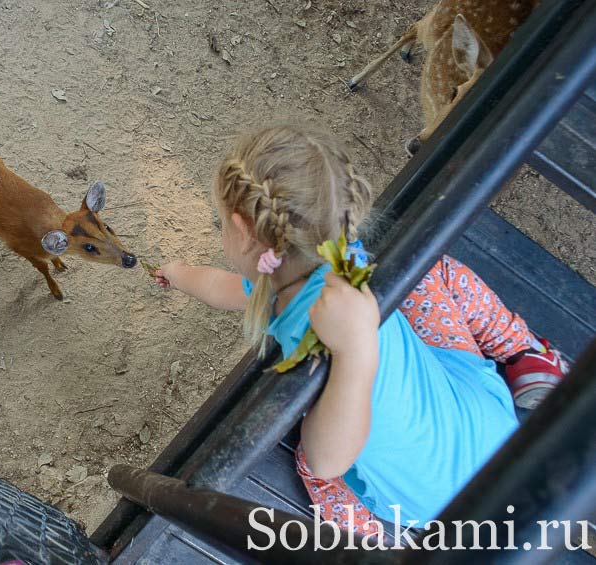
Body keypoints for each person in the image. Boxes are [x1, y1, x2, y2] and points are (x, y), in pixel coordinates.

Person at [153, 124, 566, 533]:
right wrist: (180, 273)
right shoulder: (343, 255)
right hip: (493, 431)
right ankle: (524, 351)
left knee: (311, 462)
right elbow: (230, 288)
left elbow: (327, 460)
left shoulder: (299, 316)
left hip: (440, 507)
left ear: (243, 233)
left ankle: (364, 540)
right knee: (428, 274)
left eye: (220, 223)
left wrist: (356, 352)